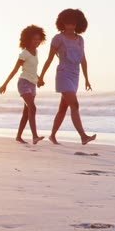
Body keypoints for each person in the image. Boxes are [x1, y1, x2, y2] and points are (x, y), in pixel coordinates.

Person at [38, 9, 96, 145]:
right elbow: (50, 59)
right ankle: (83, 136)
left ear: (78, 24)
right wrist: (41, 76)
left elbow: (83, 60)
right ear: (62, 23)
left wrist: (87, 79)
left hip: (75, 75)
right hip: (63, 74)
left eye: (73, 24)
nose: (70, 26)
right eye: (67, 23)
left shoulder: (80, 39)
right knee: (74, 105)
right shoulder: (58, 38)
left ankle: (52, 135)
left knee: (63, 108)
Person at [0, 25, 46, 145]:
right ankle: (35, 136)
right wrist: (5, 84)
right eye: (34, 39)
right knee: (33, 108)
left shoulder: (36, 52)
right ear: (27, 39)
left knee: (26, 112)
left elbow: (33, 70)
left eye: (38, 39)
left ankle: (18, 136)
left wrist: (39, 79)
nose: (36, 42)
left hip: (32, 84)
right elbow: (15, 70)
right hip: (24, 83)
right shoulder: (24, 53)